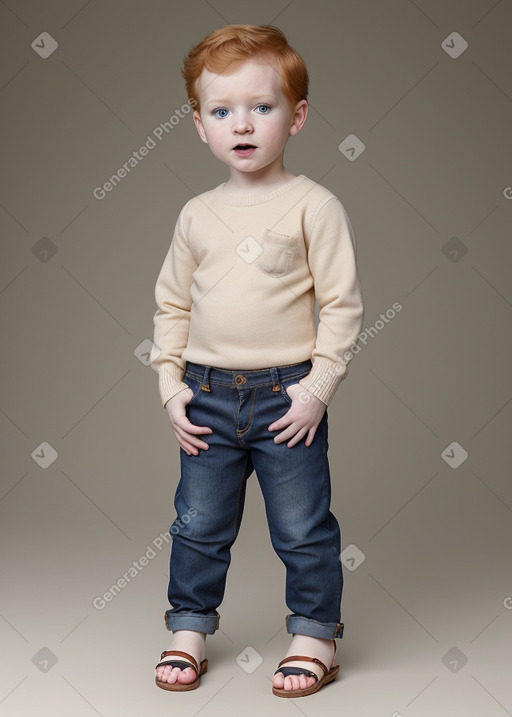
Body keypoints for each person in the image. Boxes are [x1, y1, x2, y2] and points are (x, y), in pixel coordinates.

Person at [150, 23, 364, 698]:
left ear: (296, 116)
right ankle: (188, 625)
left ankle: (315, 633)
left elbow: (342, 306)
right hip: (207, 394)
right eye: (222, 111)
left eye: (261, 107)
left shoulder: (314, 207)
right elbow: (171, 307)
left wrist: (317, 389)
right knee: (198, 522)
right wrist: (170, 386)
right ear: (199, 125)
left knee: (302, 524)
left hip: (286, 396)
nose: (241, 124)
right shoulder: (195, 215)